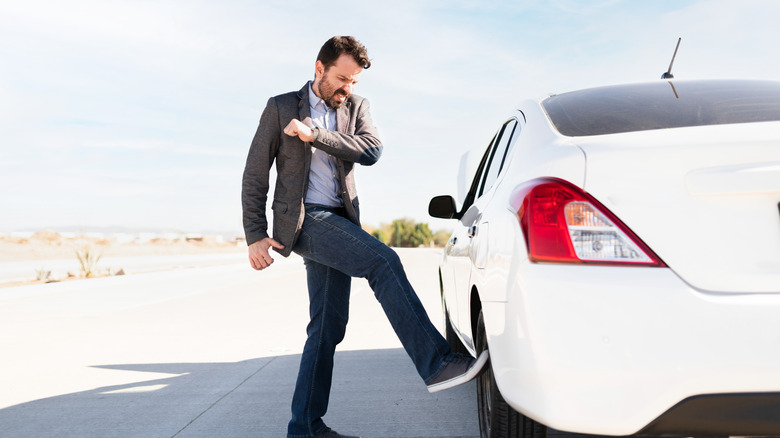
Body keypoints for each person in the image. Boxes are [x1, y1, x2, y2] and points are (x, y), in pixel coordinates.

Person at [242, 36, 489, 438]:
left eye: (354, 82)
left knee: (327, 327)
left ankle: (304, 427)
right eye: (341, 79)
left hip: (341, 220)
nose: (347, 89)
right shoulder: (281, 106)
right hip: (304, 221)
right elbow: (255, 173)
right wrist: (254, 232)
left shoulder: (356, 107)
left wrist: (314, 136)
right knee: (383, 261)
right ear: (319, 68)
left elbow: (371, 149)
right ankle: (436, 363)